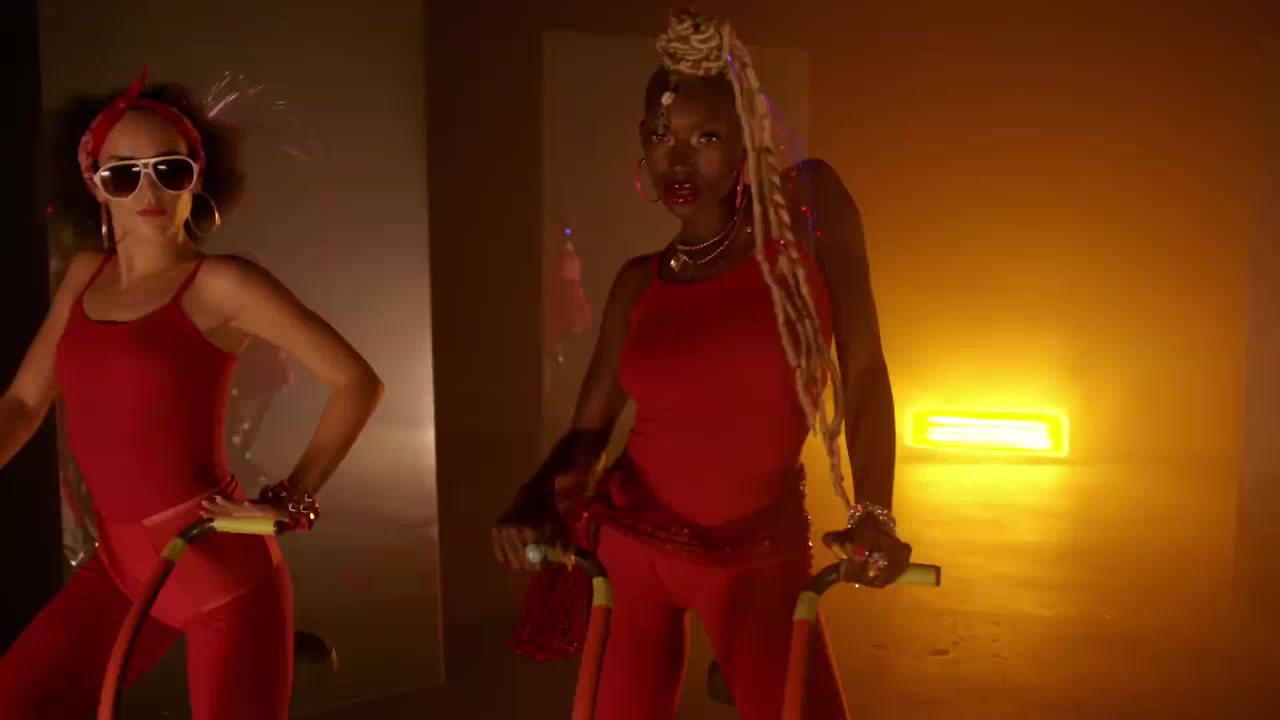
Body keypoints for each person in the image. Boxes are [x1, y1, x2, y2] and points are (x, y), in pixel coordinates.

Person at [494, 10, 913, 720]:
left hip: (758, 555)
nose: (679, 162)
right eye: (661, 137)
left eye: (706, 137)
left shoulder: (809, 213)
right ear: (642, 145)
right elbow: (588, 433)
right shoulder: (639, 282)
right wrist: (534, 493)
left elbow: (865, 373)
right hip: (633, 551)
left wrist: (874, 510)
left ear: (747, 140)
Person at [0, 67, 384, 719]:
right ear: (95, 185)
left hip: (219, 575)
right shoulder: (85, 275)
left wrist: (292, 497)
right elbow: (24, 403)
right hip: (119, 570)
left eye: (169, 170)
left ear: (196, 178)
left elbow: (357, 382)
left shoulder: (221, 284)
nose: (148, 190)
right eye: (124, 175)